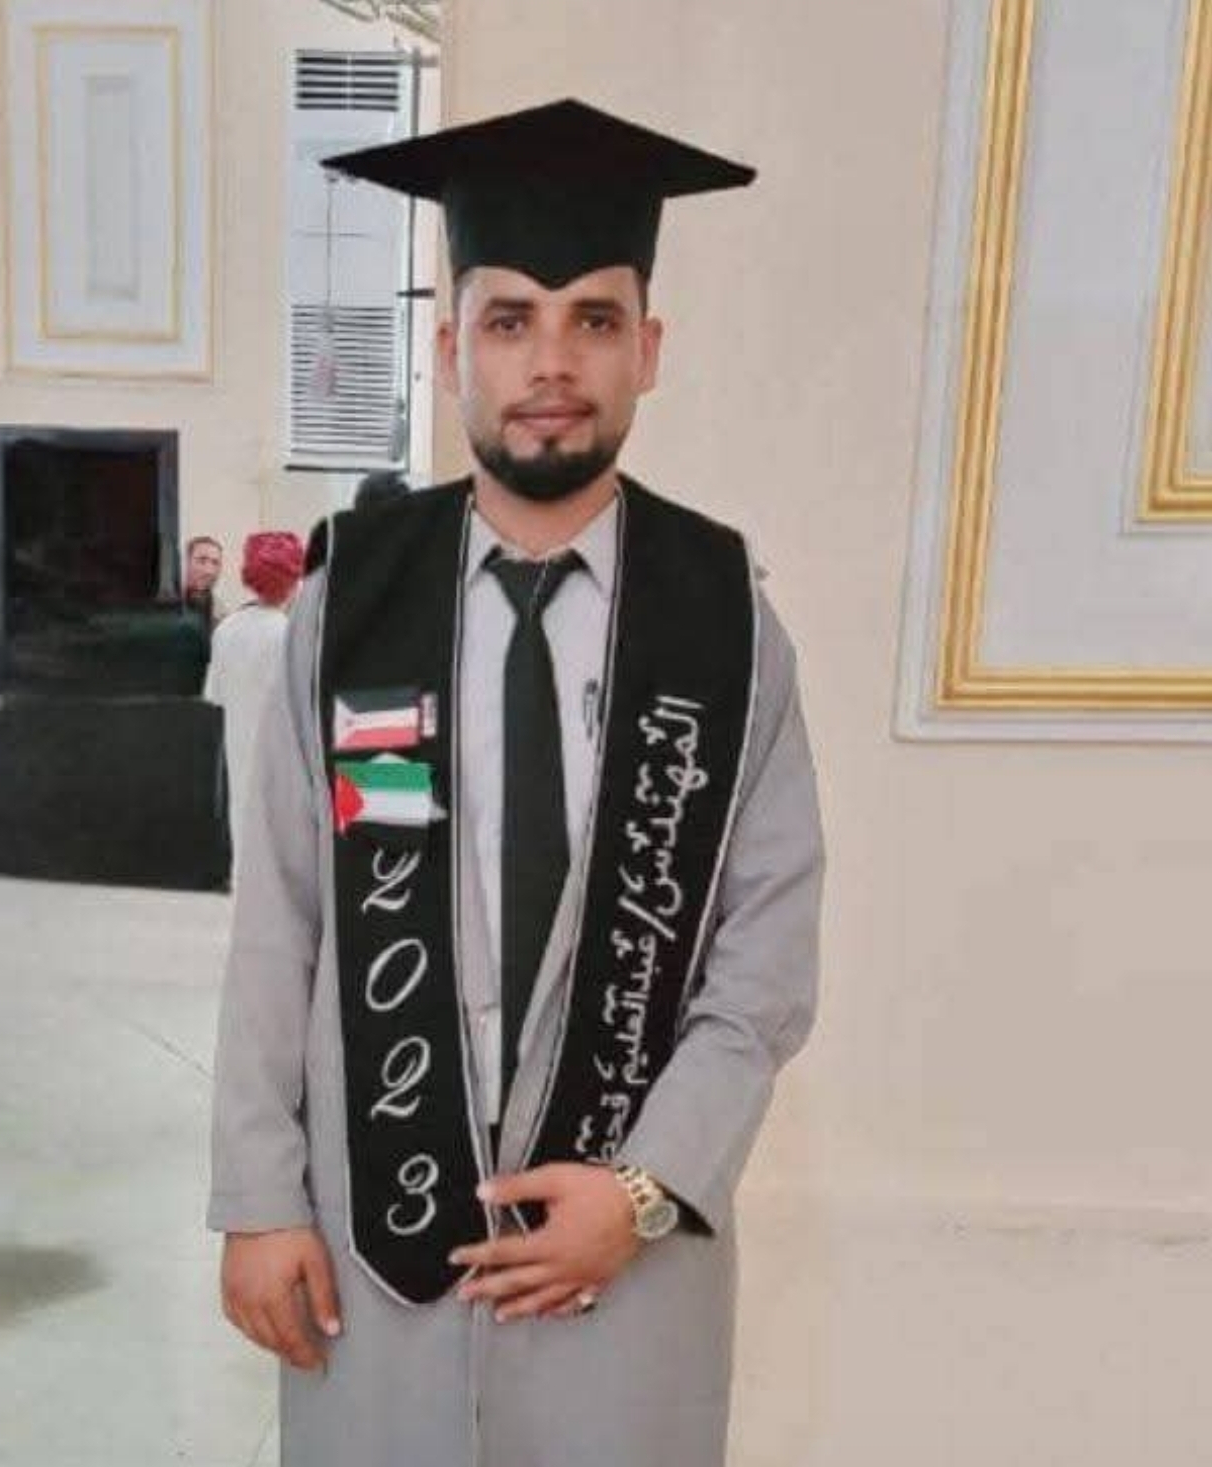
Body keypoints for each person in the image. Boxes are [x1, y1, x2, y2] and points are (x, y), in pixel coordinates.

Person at [209, 99, 823, 1467]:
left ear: (646, 350)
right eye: (508, 320)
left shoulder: (719, 621)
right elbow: (282, 914)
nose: (550, 362)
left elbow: (764, 957)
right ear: (450, 351)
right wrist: (257, 1193)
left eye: (592, 319)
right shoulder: (352, 609)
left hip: (622, 1247)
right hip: (373, 1230)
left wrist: (648, 1186)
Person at [203, 532, 305, 879]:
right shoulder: (290, 634)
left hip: (240, 755)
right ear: (293, 581)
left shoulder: (226, 630)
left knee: (246, 842)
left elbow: (215, 695)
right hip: (284, 760)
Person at [183, 534, 225, 623]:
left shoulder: (222, 616)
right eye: (201, 561)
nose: (209, 571)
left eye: (215, 563)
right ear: (186, 562)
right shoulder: (164, 607)